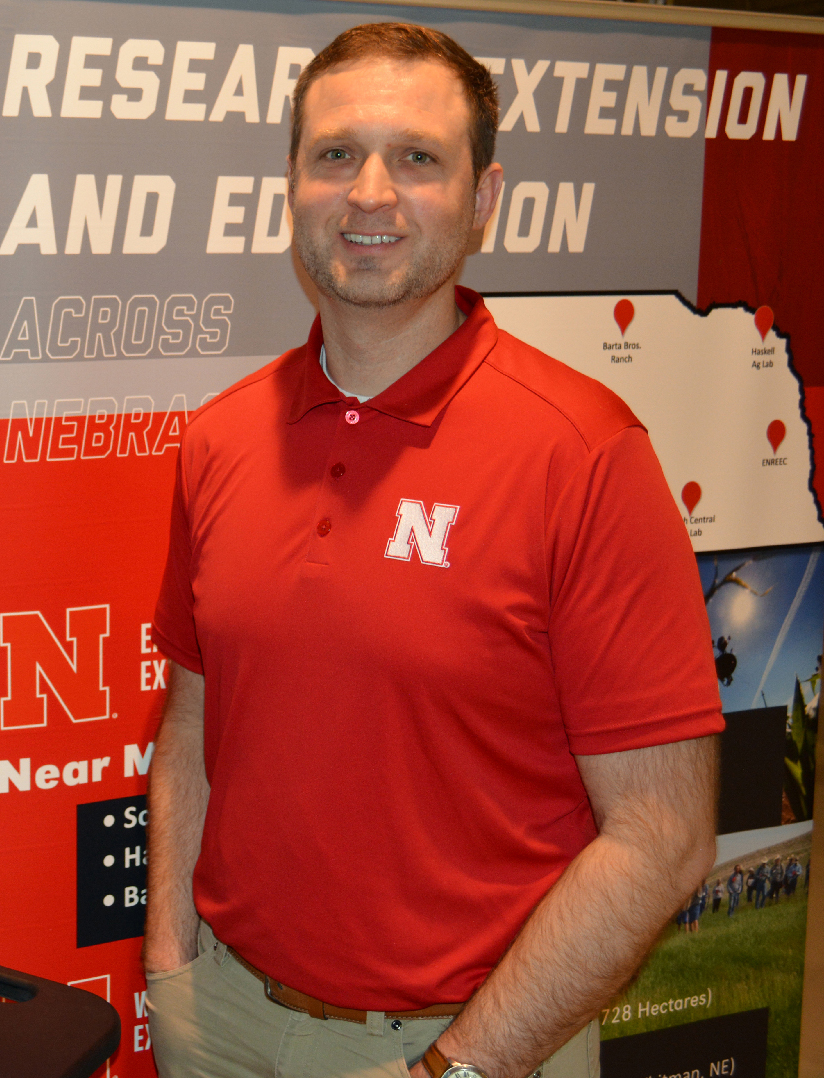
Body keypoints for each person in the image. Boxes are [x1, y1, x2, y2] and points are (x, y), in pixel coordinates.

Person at [143, 21, 723, 1078]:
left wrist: (456, 1067)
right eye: (334, 155)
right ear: (292, 189)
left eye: (417, 158)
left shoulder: (583, 453)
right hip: (220, 1016)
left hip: (472, 1045)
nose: (370, 193)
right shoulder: (219, 438)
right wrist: (172, 968)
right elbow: (189, 719)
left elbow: (663, 835)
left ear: (484, 200)